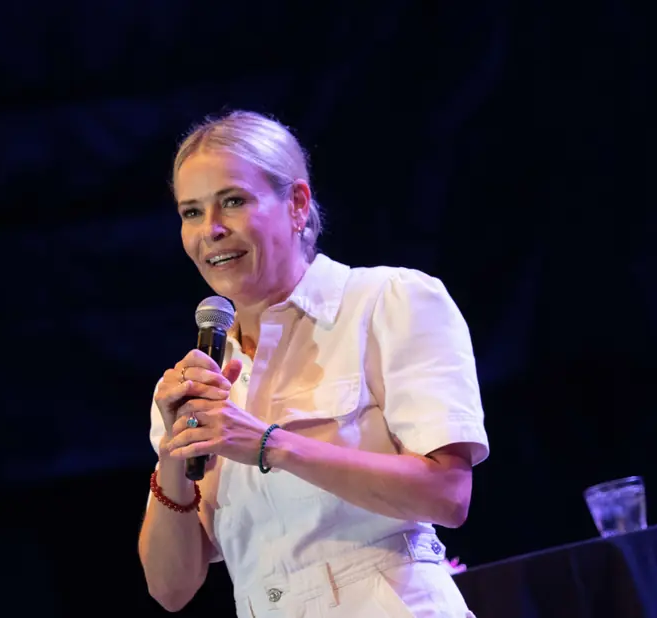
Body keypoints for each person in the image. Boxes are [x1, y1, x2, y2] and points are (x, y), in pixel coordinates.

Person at [138, 110, 489, 618]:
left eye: (232, 202)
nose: (210, 230)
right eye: (191, 212)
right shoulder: (196, 383)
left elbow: (448, 495)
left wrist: (268, 443)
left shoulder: (386, 302)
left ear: (297, 204)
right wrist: (176, 452)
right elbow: (170, 589)